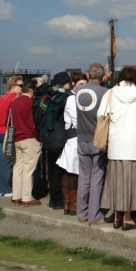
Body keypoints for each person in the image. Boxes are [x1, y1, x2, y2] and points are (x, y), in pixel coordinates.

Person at [98, 68, 136, 230]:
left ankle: (117, 216)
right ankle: (128, 218)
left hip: (116, 142)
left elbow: (101, 114)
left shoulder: (111, 93)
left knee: (115, 180)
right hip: (135, 142)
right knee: (132, 181)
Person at [75, 63, 112, 225]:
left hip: (81, 138)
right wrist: (106, 80)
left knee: (84, 177)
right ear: (102, 77)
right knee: (97, 178)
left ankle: (81, 212)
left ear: (88, 76)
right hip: (98, 139)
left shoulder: (78, 91)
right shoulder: (105, 92)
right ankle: (94, 214)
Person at [56, 72, 88, 215]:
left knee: (69, 172)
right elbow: (77, 120)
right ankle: (72, 204)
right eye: (80, 84)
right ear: (74, 84)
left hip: (71, 137)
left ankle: (68, 204)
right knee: (73, 173)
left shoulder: (71, 98)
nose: (83, 87)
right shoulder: (73, 99)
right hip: (75, 138)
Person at [9, 78, 42, 206]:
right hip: (29, 137)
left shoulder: (14, 102)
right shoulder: (30, 103)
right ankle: (27, 197)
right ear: (31, 90)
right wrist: (37, 136)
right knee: (29, 169)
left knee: (17, 167)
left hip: (16, 137)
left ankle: (16, 196)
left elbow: (9, 119)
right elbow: (32, 122)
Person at [45, 72, 73, 211]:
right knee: (61, 170)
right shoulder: (65, 97)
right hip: (61, 136)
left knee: (52, 170)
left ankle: (53, 198)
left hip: (50, 137)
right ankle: (59, 199)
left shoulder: (50, 96)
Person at [0, 75, 23, 197]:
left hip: (0, 130)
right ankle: (6, 189)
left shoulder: (2, 98)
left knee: (1, 161)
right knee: (8, 161)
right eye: (20, 86)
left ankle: (0, 187)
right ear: (13, 86)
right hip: (10, 131)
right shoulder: (16, 98)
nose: (22, 88)